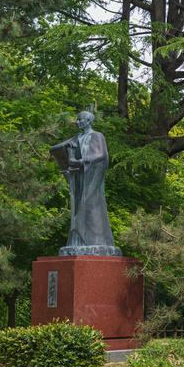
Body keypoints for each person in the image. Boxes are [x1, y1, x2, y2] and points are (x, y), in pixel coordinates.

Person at [49, 107, 120, 256]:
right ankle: (77, 241)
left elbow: (101, 155)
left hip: (90, 177)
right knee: (76, 209)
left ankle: (97, 242)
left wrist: (80, 162)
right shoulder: (76, 139)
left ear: (88, 121)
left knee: (90, 207)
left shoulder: (97, 136)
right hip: (77, 178)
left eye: (80, 119)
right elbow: (56, 149)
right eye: (77, 119)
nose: (77, 122)